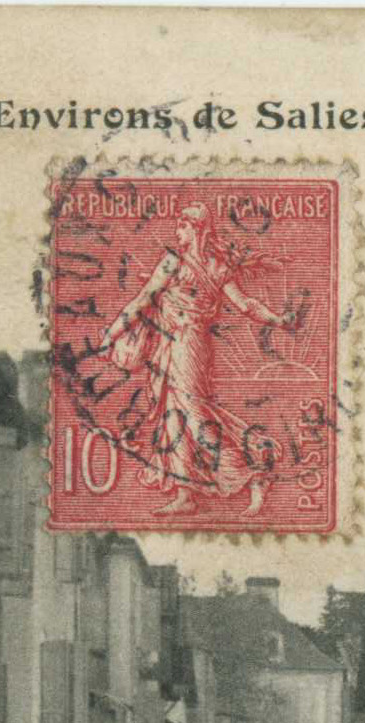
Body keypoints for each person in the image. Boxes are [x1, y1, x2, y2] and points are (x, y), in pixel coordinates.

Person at [95, 202, 303, 518]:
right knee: (172, 416)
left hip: (189, 344)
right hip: (169, 344)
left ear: (196, 228)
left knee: (192, 414)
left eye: (182, 226)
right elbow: (144, 299)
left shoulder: (213, 266)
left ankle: (251, 473)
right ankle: (186, 493)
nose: (177, 233)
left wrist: (278, 319)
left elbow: (245, 304)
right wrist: (115, 329)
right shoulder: (174, 261)